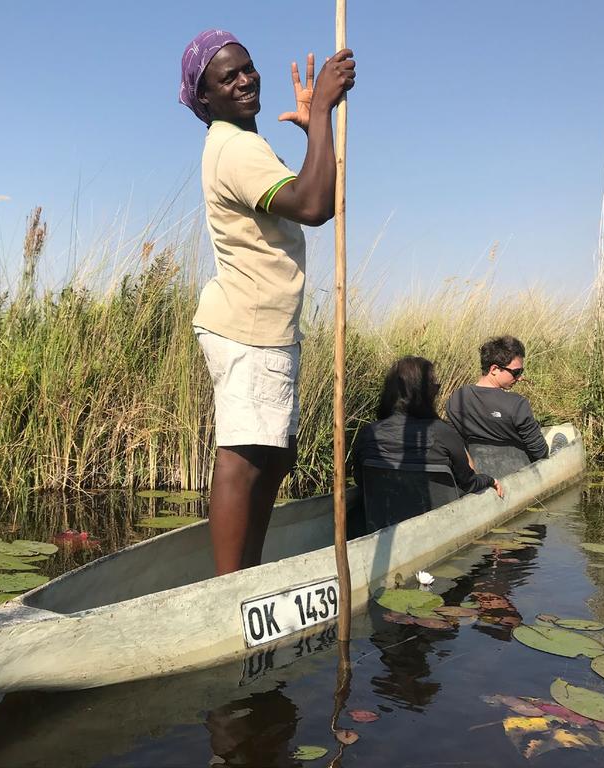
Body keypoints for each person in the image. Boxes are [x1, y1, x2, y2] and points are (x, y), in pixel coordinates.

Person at [178, 30, 356, 574]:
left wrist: (311, 132)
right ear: (204, 99)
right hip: (247, 324)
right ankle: (231, 591)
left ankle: (247, 569)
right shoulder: (235, 147)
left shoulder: (245, 145)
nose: (246, 79)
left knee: (277, 455)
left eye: (248, 68)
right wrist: (323, 109)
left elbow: (302, 190)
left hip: (266, 323)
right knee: (244, 457)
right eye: (227, 77)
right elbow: (313, 203)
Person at [351, 356, 503, 498]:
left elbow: (360, 480)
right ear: (427, 394)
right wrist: (489, 480)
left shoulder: (367, 434)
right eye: (435, 388)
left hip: (382, 518)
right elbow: (469, 483)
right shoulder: (444, 433)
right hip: (437, 519)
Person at [445, 336, 549, 464]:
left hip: (477, 474)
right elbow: (540, 452)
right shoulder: (517, 404)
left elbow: (454, 441)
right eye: (516, 372)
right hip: (519, 471)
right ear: (494, 369)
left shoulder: (456, 398)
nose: (520, 378)